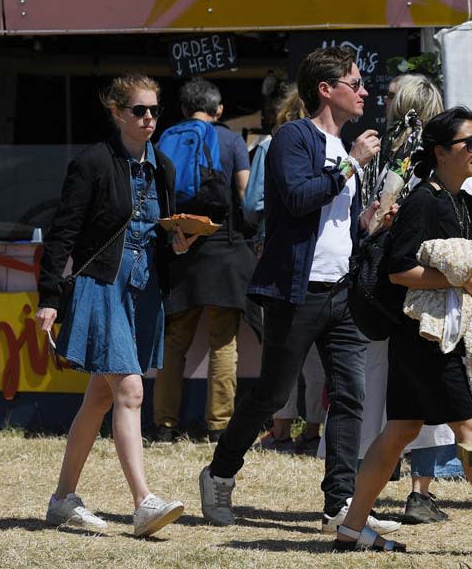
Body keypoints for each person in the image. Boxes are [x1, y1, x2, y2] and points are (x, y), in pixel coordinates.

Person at [199, 46, 400, 536]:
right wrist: (351, 164)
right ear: (327, 90)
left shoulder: (346, 149)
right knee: (272, 393)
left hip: (343, 291)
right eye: (355, 82)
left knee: (350, 395)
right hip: (297, 291)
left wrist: (368, 223)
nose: (365, 91)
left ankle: (340, 505)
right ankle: (219, 472)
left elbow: (335, 221)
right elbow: (298, 197)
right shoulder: (294, 137)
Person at [334, 106, 472, 552]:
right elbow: (398, 270)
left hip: (426, 337)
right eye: (469, 143)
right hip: (428, 338)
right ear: (440, 151)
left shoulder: (458, 200)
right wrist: (456, 278)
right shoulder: (424, 201)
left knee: (400, 431)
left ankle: (351, 528)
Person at [36, 74, 194, 537]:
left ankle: (63, 500)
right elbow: (62, 233)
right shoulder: (92, 164)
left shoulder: (162, 166)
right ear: (117, 112)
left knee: (101, 396)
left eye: (154, 111)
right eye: (139, 111)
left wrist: (179, 243)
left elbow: (161, 231)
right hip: (101, 283)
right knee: (129, 390)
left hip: (143, 288)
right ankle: (143, 502)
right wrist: (49, 297)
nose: (149, 119)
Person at [153, 78, 255, 443]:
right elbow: (245, 194)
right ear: (219, 109)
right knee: (222, 342)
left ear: (183, 109)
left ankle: (164, 426)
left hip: (179, 247)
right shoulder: (229, 140)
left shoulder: (163, 139)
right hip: (223, 249)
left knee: (174, 340)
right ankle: (219, 426)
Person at [243, 86, 325, 454]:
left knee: (281, 352)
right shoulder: (333, 147)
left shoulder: (269, 145)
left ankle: (280, 428)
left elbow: (251, 202)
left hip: (280, 254)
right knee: (315, 354)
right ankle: (313, 430)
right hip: (324, 259)